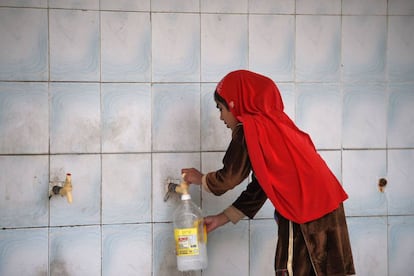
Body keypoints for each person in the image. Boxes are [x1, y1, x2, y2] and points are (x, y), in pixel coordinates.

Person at [182, 70, 355, 276]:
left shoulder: (249, 128)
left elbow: (228, 179)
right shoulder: (277, 125)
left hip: (304, 211)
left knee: (292, 270)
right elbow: (263, 184)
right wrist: (222, 218)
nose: (221, 117)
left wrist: (199, 178)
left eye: (221, 108)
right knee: (328, 271)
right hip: (329, 207)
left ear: (235, 103)